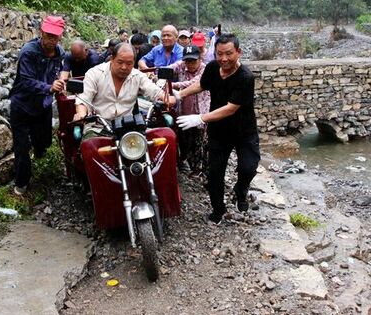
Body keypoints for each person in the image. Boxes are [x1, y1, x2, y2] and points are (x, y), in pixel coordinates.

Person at [176, 34, 259, 224]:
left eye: (229, 54)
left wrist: (200, 118)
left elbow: (231, 108)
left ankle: (241, 189)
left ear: (239, 52)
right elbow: (202, 85)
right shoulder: (213, 67)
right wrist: (180, 94)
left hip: (244, 131)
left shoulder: (245, 77)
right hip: (219, 132)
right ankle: (218, 210)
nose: (224, 59)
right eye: (219, 54)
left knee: (249, 167)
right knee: (215, 173)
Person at [9, 15, 66, 195]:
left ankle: (42, 162)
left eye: (55, 36)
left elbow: (59, 72)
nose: (51, 40)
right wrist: (49, 87)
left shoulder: (59, 53)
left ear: (60, 36)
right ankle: (21, 184)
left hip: (43, 105)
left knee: (43, 141)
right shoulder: (29, 52)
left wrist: (60, 82)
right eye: (48, 35)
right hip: (23, 106)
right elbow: (25, 81)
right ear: (41, 32)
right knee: (22, 147)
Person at [73, 43, 175, 123]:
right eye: (120, 62)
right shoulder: (94, 74)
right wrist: (81, 114)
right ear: (112, 59)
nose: (124, 67)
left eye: (129, 63)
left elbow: (153, 90)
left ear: (134, 63)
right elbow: (83, 99)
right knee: (89, 146)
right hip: (98, 126)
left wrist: (166, 98)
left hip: (128, 126)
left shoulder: (137, 76)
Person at [168, 45, 209, 174]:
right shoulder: (182, 66)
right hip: (184, 111)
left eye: (193, 61)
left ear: (200, 59)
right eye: (188, 61)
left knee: (199, 141)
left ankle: (198, 168)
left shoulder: (205, 69)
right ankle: (184, 162)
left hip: (200, 112)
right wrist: (158, 75)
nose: (190, 64)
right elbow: (168, 69)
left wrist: (173, 85)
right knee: (184, 139)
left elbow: (194, 83)